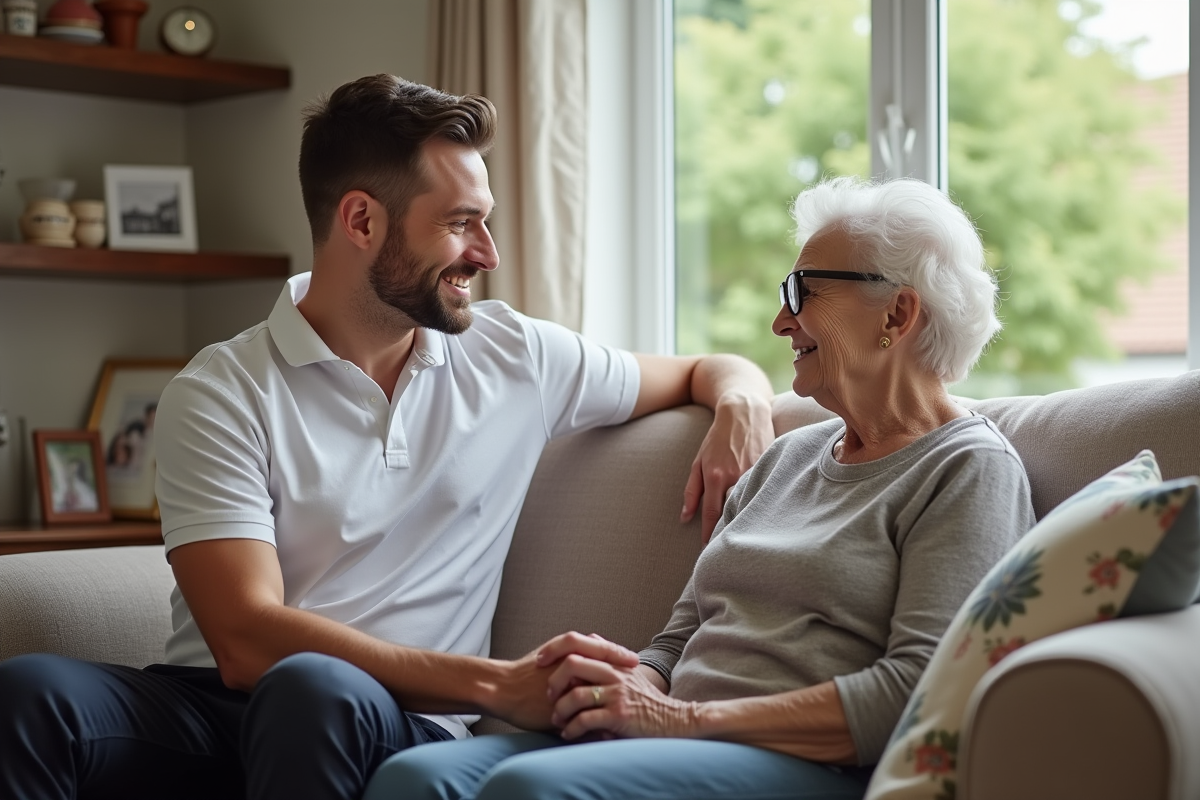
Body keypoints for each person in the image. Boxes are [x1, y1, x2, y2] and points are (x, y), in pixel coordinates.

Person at [0, 76, 775, 800]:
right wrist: (502, 685)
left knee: (313, 691)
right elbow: (242, 637)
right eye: (460, 223)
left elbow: (706, 367)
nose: (488, 253)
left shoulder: (518, 357)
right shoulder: (222, 389)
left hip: (388, 722)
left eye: (487, 221)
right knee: (31, 693)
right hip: (222, 705)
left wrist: (740, 398)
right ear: (362, 221)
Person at [364, 176, 1038, 800]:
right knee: (415, 778)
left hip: (808, 767)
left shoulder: (967, 469)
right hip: (680, 736)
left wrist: (679, 719)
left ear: (897, 314)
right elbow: (680, 636)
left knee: (531, 793)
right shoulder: (789, 457)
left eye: (804, 293)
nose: (781, 322)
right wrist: (625, 687)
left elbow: (915, 690)